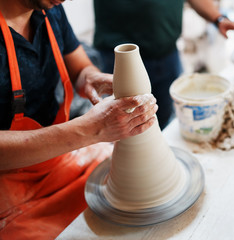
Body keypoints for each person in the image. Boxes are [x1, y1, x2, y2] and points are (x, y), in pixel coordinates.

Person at [0, 0, 158, 239]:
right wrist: (91, 130)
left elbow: (80, 67)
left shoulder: (50, 10)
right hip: (8, 183)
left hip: (57, 159)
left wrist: (91, 77)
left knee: (141, 191)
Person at [93, 0, 234, 130]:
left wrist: (219, 19)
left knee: (162, 121)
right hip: (120, 59)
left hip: (167, 52)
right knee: (126, 126)